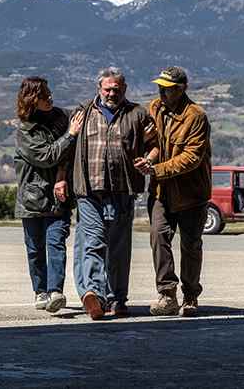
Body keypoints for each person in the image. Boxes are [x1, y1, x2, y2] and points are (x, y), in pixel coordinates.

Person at [67, 67, 154, 320]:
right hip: (89, 190)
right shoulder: (82, 113)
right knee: (94, 242)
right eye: (108, 89)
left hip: (122, 189)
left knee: (119, 247)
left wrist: (148, 160)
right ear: (99, 89)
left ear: (124, 89)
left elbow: (154, 145)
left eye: (117, 89)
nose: (112, 93)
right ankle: (94, 295)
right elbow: (70, 149)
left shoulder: (138, 114)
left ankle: (118, 298)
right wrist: (62, 180)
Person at [135, 66, 211, 317]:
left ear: (182, 89)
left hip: (191, 194)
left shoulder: (196, 116)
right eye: (160, 87)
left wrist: (156, 169)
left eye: (167, 89)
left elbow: (191, 158)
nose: (162, 92)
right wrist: (148, 158)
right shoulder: (154, 108)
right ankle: (167, 294)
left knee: (190, 245)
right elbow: (155, 143)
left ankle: (190, 296)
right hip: (161, 192)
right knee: (158, 236)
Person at [14, 77, 84, 314]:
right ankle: (40, 291)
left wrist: (63, 174)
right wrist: (71, 135)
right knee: (34, 248)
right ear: (34, 99)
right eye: (45, 95)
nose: (51, 97)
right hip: (32, 198)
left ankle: (56, 291)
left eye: (50, 93)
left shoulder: (62, 117)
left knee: (56, 242)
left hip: (58, 197)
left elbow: (67, 152)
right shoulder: (25, 131)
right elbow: (47, 156)